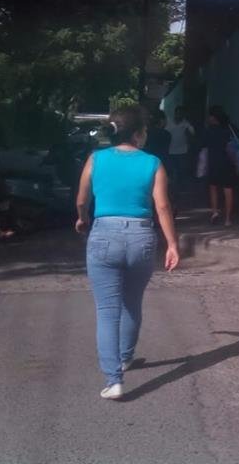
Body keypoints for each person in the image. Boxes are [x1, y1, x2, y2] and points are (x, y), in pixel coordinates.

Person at [75, 105, 180, 400]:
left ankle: (114, 379)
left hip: (104, 234)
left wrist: (83, 218)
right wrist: (171, 244)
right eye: (144, 131)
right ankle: (125, 356)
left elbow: (82, 199)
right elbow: (162, 206)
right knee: (132, 303)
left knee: (107, 312)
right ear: (138, 134)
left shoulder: (96, 159)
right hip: (141, 236)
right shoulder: (153, 163)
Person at [203, 105, 239, 227]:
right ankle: (228, 219)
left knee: (213, 188)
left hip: (214, 162)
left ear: (214, 117)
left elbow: (203, 143)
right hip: (228, 163)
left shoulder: (209, 130)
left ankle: (214, 212)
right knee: (228, 190)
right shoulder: (230, 128)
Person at [165, 106, 194, 200]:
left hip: (182, 150)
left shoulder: (186, 123)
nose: (179, 115)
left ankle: (179, 189)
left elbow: (193, 133)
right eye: (178, 113)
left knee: (181, 170)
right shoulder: (168, 121)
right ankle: (172, 189)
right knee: (172, 171)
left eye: (181, 113)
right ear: (175, 113)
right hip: (170, 150)